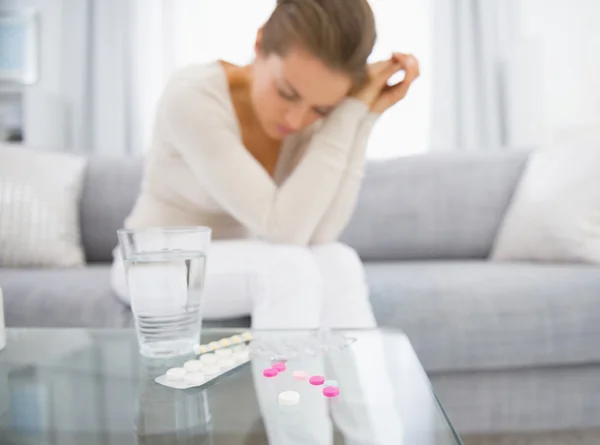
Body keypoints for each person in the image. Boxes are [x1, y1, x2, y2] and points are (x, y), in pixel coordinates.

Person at [111, 0, 420, 329]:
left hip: (251, 258)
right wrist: (341, 115)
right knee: (286, 267)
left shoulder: (310, 114)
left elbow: (320, 233)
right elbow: (283, 230)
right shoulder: (192, 97)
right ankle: (289, 384)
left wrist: (360, 114)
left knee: (338, 260)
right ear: (259, 44)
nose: (297, 119)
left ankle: (364, 383)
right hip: (156, 264)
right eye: (287, 93)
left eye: (321, 110)